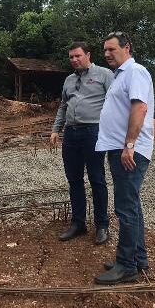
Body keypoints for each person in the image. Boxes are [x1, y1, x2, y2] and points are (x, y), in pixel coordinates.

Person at [94, 31, 154, 285]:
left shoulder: (135, 72)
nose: (107, 54)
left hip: (130, 151)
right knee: (132, 206)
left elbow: (140, 108)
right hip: (121, 149)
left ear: (126, 48)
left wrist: (129, 145)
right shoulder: (120, 75)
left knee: (125, 209)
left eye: (112, 49)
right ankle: (138, 259)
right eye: (105, 50)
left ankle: (126, 265)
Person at [51, 42, 114, 246]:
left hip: (93, 132)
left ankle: (102, 225)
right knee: (74, 179)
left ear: (88, 55)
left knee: (97, 179)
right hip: (71, 134)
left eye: (78, 56)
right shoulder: (69, 80)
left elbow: (116, 102)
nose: (74, 60)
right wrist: (55, 130)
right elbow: (63, 106)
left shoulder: (104, 75)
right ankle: (78, 223)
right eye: (71, 57)